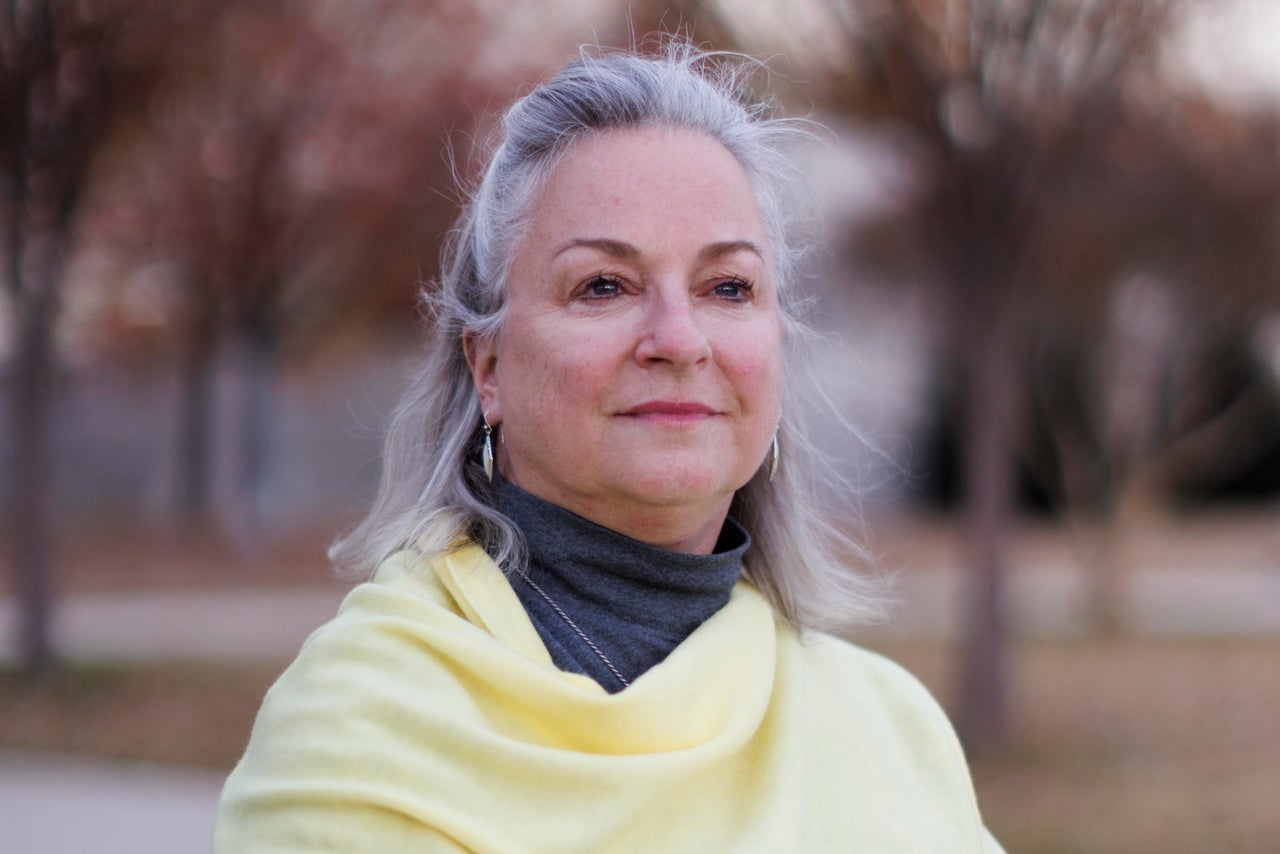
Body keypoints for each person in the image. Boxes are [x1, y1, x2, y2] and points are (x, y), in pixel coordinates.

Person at [214, 39, 1004, 852]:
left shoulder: (888, 728)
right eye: (604, 285)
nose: (678, 338)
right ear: (488, 366)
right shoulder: (358, 739)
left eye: (728, 286)